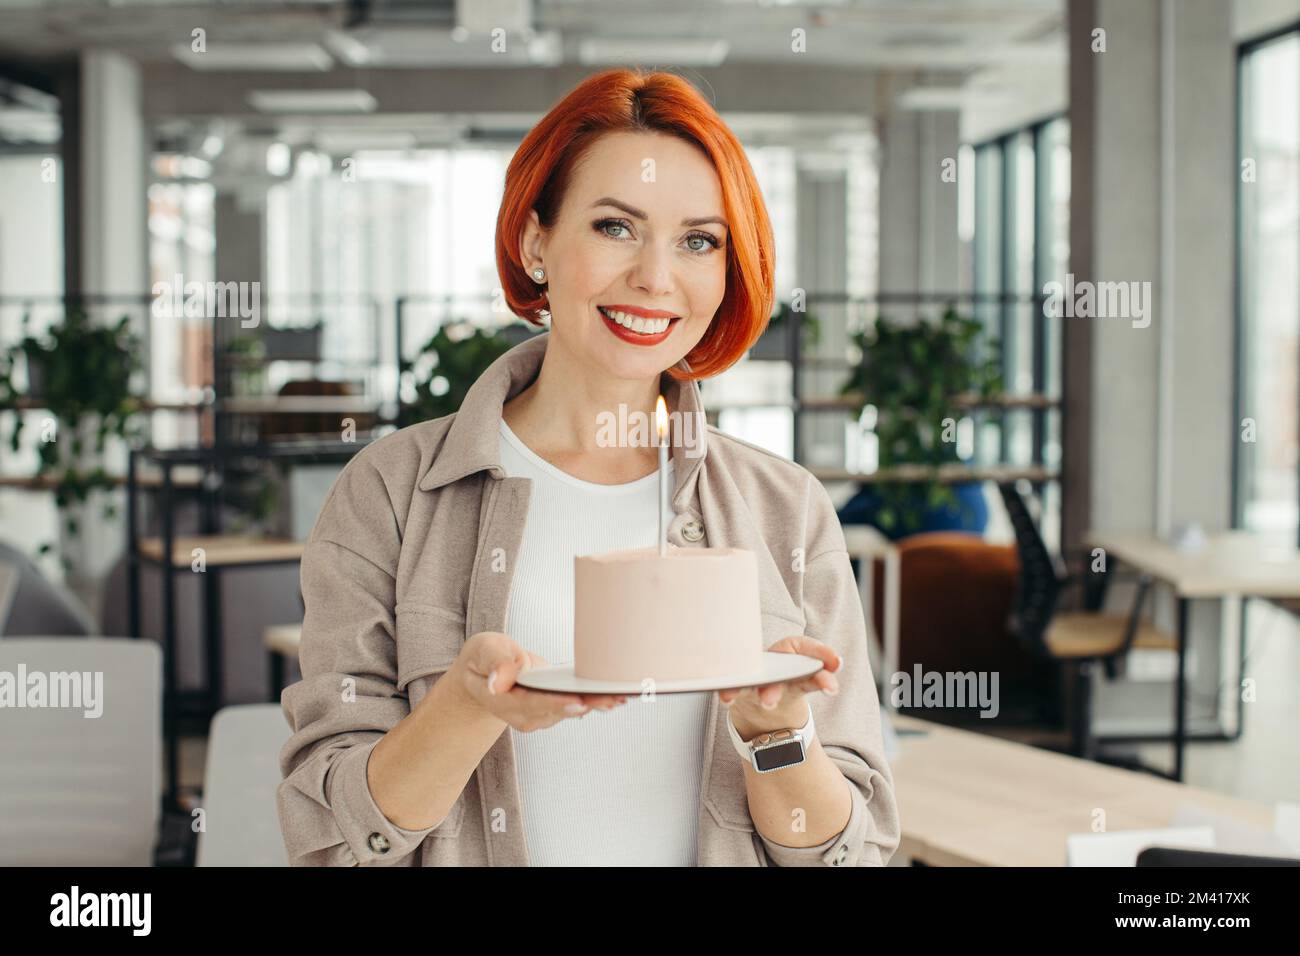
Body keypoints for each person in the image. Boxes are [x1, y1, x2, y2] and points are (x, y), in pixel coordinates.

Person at [277, 67, 899, 867]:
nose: (655, 276)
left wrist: (777, 737)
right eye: (614, 227)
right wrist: (466, 710)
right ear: (537, 241)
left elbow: (849, 853)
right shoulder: (392, 493)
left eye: (699, 241)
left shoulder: (787, 508)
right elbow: (329, 841)